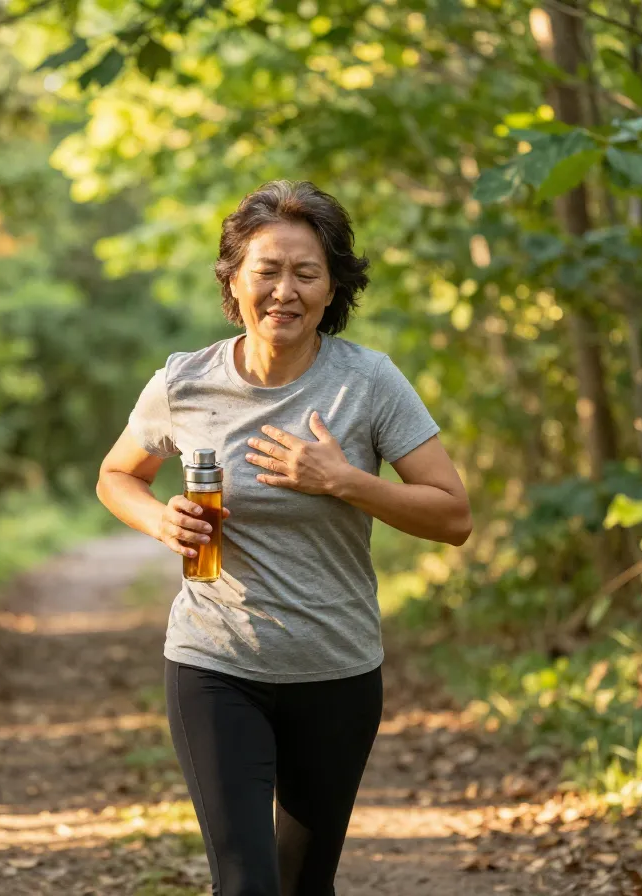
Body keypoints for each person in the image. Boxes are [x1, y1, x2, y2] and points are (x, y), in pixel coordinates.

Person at [95, 180, 472, 896]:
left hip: (337, 669)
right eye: (266, 270)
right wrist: (159, 518)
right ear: (233, 280)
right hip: (215, 664)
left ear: (334, 289)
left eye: (307, 273)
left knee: (304, 886)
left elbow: (453, 516)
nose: (284, 291)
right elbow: (116, 475)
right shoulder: (186, 382)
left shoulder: (370, 384)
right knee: (245, 884)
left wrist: (345, 479)